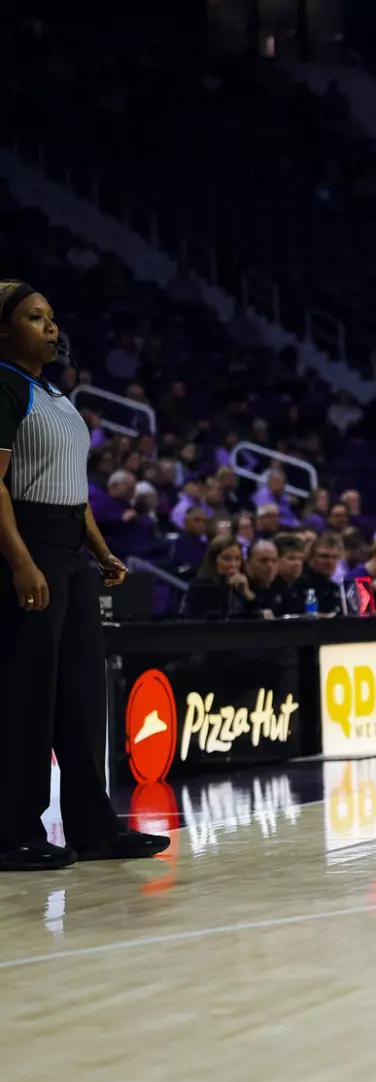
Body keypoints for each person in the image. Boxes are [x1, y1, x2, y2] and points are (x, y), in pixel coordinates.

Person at [0, 281, 168, 870]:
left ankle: (94, 827)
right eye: (34, 317)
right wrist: (21, 562)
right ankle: (12, 833)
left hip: (70, 548)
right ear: (2, 332)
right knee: (27, 694)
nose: (50, 326)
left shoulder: (55, 394)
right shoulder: (3, 386)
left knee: (80, 693)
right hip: (28, 543)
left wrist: (100, 550)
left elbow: (73, 488)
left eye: (51, 316)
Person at [182, 534, 261, 619]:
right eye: (227, 559)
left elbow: (258, 620)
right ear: (213, 561)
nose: (233, 565)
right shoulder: (199, 587)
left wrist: (247, 594)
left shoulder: (246, 583)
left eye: (237, 559)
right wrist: (226, 588)